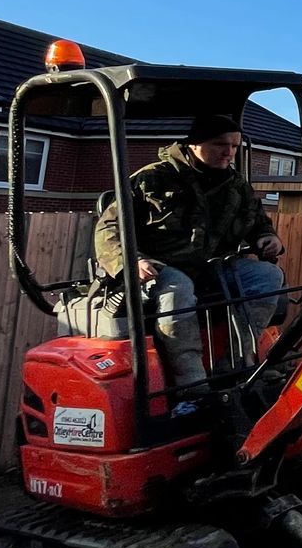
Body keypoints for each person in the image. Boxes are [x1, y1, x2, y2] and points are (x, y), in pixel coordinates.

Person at [94, 113, 288, 388]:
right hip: (157, 271)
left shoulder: (236, 187)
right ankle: (192, 385)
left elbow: (257, 223)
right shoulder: (152, 180)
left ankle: (232, 368)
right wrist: (131, 262)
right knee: (179, 288)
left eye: (234, 146)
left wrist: (268, 237)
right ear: (194, 144)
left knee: (267, 276)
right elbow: (109, 229)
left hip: (210, 269)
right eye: (220, 144)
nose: (228, 152)